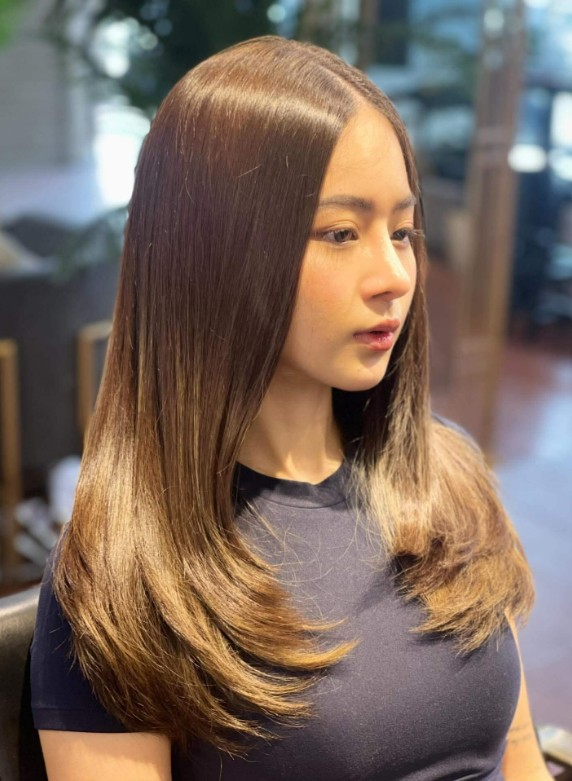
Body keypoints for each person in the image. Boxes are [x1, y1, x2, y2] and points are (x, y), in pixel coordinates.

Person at [30, 35, 549, 781]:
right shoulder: (131, 568)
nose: (394, 275)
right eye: (341, 233)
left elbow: (521, 760)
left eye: (402, 231)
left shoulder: (445, 475)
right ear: (216, 253)